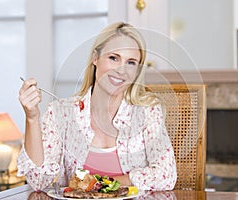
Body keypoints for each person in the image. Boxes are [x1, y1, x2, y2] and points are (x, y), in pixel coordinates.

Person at [17, 22, 177, 191]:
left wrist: (102, 182)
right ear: (95, 58)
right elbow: (38, 182)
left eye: (130, 62)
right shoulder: (60, 113)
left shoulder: (148, 112)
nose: (121, 70)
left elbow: (166, 176)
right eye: (113, 58)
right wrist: (32, 118)